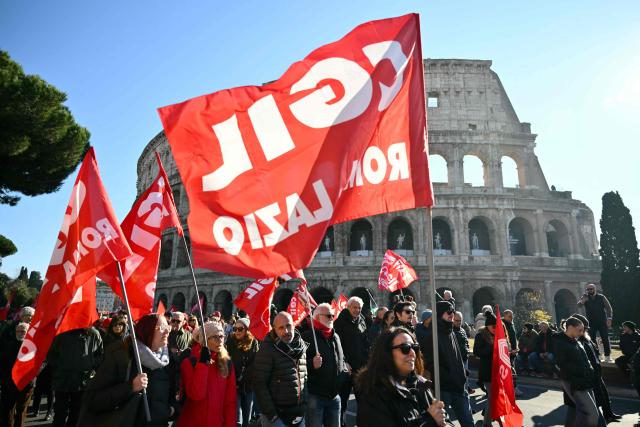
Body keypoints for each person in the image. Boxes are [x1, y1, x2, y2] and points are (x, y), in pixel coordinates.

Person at [82, 314, 179, 426]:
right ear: (147, 330)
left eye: (168, 328)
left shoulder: (168, 361)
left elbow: (172, 398)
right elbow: (92, 400)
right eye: (162, 328)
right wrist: (130, 387)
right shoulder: (121, 356)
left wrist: (171, 411)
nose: (167, 332)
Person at [355, 327, 448, 427]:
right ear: (387, 353)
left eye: (415, 347)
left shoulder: (421, 385)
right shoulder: (373, 394)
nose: (412, 353)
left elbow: (444, 420)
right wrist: (429, 421)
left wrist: (443, 421)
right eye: (405, 348)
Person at [422, 301, 474, 427]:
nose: (452, 315)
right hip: (444, 387)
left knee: (468, 422)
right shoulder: (431, 335)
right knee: (444, 423)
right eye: (449, 312)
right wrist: (449, 376)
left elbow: (457, 356)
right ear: (440, 314)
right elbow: (430, 363)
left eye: (453, 311)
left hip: (459, 385)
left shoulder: (451, 331)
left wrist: (462, 372)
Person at [177, 321, 236, 427]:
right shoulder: (189, 363)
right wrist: (202, 365)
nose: (220, 341)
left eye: (222, 336)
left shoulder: (227, 363)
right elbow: (196, 395)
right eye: (215, 337)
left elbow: (230, 401)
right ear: (204, 340)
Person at [254, 312, 308, 427]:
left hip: (298, 414)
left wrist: (305, 403)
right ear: (275, 330)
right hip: (277, 417)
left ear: (294, 325)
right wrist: (271, 414)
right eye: (281, 328)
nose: (286, 331)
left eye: (288, 326)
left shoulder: (301, 346)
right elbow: (259, 384)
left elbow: (304, 377)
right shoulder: (267, 349)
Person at [48, 326, 103, 427]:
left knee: (76, 414)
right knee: (60, 413)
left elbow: (99, 354)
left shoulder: (94, 333)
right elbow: (52, 354)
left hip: (82, 382)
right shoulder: (62, 332)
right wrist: (60, 367)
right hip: (62, 380)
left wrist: (91, 366)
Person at [302, 303, 347, 427]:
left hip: (334, 396)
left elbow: (340, 357)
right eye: (328, 316)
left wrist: (344, 368)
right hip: (316, 396)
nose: (332, 318)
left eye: (332, 315)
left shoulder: (335, 336)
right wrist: (311, 364)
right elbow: (297, 364)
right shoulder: (307, 336)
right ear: (317, 317)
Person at [571, 313, 621, 422]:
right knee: (597, 397)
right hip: (589, 373)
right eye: (583, 327)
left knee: (604, 394)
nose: (585, 330)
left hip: (596, 371)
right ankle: (600, 418)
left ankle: (609, 413)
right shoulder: (576, 341)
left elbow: (595, 353)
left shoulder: (586, 339)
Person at [553, 317, 601, 427]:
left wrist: (590, 371)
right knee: (591, 414)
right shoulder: (559, 342)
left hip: (585, 380)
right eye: (579, 330)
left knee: (579, 412)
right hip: (574, 382)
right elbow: (561, 364)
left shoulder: (576, 341)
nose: (582, 333)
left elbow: (585, 360)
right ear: (570, 328)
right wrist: (581, 370)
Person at [334, 296, 369, 427]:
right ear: (348, 307)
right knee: (342, 402)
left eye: (359, 307)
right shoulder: (339, 322)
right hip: (346, 369)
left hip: (361, 368)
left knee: (364, 401)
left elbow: (366, 343)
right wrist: (344, 362)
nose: (357, 310)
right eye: (354, 307)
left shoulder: (362, 321)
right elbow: (337, 346)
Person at [226, 317, 259, 427]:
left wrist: (245, 378)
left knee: (247, 418)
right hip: (234, 385)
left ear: (247, 330)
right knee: (237, 419)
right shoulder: (230, 341)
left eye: (240, 329)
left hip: (248, 385)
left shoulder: (254, 343)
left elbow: (255, 364)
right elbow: (226, 361)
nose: (237, 331)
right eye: (235, 329)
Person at [0, 322, 33, 427]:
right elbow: (3, 363)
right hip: (10, 383)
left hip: (26, 383)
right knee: (8, 409)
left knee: (21, 410)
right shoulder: (9, 345)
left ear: (28, 332)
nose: (19, 333)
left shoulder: (33, 346)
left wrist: (34, 374)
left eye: (23, 331)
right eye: (17, 331)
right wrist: (5, 380)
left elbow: (42, 362)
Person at [577, 283, 613, 362]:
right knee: (592, 340)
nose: (589, 290)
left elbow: (609, 308)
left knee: (605, 338)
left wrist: (609, 318)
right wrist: (583, 301)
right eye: (588, 289)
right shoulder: (585, 297)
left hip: (602, 321)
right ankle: (597, 355)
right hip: (591, 322)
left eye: (591, 289)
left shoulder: (601, 297)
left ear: (595, 289)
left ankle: (607, 356)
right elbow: (578, 305)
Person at [473, 312, 497, 427]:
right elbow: (477, 352)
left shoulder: (498, 335)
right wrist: (492, 347)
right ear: (487, 326)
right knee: (492, 397)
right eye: (493, 327)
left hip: (499, 372)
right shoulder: (480, 335)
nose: (495, 329)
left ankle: (488, 418)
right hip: (487, 371)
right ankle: (487, 424)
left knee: (495, 398)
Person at [502, 310, 522, 396]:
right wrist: (510, 350)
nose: (511, 318)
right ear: (505, 316)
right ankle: (514, 388)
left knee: (511, 370)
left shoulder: (511, 324)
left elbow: (513, 337)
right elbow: (504, 339)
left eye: (512, 316)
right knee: (511, 371)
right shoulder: (502, 324)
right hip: (507, 352)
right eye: (510, 316)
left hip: (513, 351)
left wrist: (516, 348)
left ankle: (510, 388)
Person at [453, 311, 474, 394]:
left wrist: (467, 349)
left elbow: (466, 342)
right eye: (456, 320)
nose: (458, 322)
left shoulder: (462, 330)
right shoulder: (450, 331)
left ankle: (466, 388)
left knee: (466, 376)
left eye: (460, 320)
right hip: (456, 359)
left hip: (464, 357)